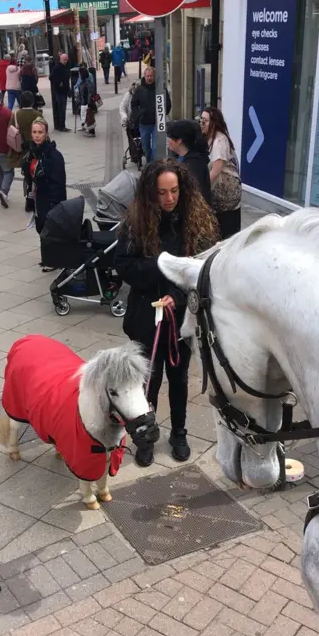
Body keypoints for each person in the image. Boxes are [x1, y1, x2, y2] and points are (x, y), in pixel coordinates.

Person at [115, 160, 218, 467]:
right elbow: (124, 266)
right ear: (151, 193)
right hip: (146, 314)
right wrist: (160, 265)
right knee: (149, 380)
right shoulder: (135, 223)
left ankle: (179, 432)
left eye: (174, 191)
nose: (170, 198)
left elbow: (202, 269)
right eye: (162, 192)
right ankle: (147, 435)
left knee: (179, 376)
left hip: (181, 316)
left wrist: (176, 295)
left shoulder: (195, 221)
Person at [22, 117, 66, 269]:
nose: (36, 135)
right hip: (37, 196)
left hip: (50, 197)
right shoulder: (32, 153)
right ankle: (47, 257)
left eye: (40, 132)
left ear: (46, 134)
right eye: (34, 132)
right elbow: (29, 177)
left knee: (49, 229)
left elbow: (59, 182)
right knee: (40, 227)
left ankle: (53, 260)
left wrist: (55, 203)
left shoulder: (54, 156)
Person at [201, 106, 242, 239]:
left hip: (226, 195)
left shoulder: (219, 141)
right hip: (225, 194)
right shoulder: (212, 138)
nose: (201, 124)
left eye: (204, 121)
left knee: (226, 232)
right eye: (200, 120)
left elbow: (216, 170)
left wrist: (201, 189)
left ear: (214, 123)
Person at [131, 67, 172, 165]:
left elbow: (168, 103)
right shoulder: (139, 89)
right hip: (144, 123)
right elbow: (134, 104)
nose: (149, 78)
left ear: (154, 77)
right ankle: (149, 163)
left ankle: (153, 166)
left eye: (151, 76)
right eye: (147, 76)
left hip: (156, 123)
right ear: (144, 77)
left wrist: (163, 113)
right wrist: (138, 115)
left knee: (155, 148)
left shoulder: (160, 88)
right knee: (145, 147)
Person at [166, 119, 212, 205]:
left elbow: (195, 196)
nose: (168, 141)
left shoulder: (194, 165)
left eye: (170, 138)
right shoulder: (181, 159)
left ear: (179, 141)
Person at [8, 91, 40, 208]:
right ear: (32, 101)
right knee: (36, 174)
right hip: (36, 149)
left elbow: (10, 131)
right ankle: (36, 197)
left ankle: (28, 198)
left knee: (27, 175)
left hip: (23, 151)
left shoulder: (15, 115)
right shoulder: (37, 115)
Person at [49, 53, 71, 133]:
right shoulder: (57, 67)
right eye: (64, 60)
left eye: (66, 60)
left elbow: (67, 78)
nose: (65, 61)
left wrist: (68, 90)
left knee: (63, 109)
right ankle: (61, 126)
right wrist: (58, 82)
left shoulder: (66, 67)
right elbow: (51, 77)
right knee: (61, 109)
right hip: (59, 91)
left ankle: (61, 125)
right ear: (60, 59)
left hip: (64, 90)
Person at [78, 67, 96, 137]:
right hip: (83, 102)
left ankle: (91, 132)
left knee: (89, 117)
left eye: (79, 73)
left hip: (87, 102)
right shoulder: (83, 81)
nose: (79, 74)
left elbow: (90, 93)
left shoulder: (87, 82)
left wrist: (89, 103)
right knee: (86, 117)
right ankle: (87, 129)